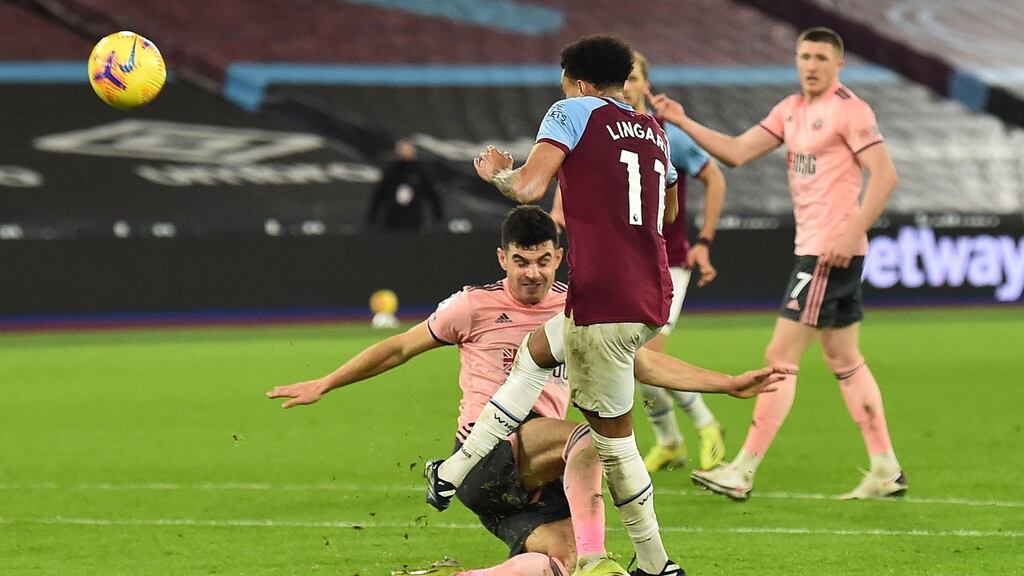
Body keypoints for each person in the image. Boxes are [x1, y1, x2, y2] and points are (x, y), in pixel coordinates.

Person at [268, 206, 780, 576]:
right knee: (588, 438)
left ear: (559, 257)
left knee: (559, 561)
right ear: (502, 258)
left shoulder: (575, 311)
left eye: (542, 261)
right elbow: (400, 347)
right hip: (484, 455)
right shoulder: (472, 307)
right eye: (520, 260)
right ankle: (601, 562)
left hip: (534, 477)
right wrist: (326, 382)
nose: (532, 272)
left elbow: (642, 363)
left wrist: (728, 384)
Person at [432, 35, 688, 576]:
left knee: (612, 443)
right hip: (650, 292)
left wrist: (497, 173)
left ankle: (658, 566)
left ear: (579, 81)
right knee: (535, 353)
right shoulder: (654, 130)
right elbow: (667, 208)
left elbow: (528, 187)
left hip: (606, 296)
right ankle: (452, 470)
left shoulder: (572, 111)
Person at [649, 26, 906, 501]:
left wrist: (850, 230)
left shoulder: (850, 111)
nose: (810, 65)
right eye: (804, 56)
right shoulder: (791, 110)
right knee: (844, 359)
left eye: (821, 58)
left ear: (838, 64)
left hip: (829, 251)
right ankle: (885, 469)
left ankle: (742, 469)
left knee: (779, 359)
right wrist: (682, 121)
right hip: (818, 250)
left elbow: (885, 176)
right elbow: (737, 153)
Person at [552, 51, 729, 474]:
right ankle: (670, 441)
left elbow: (715, 176)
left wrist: (704, 240)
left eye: (634, 78)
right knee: (633, 364)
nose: (627, 86)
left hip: (667, 262)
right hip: (622, 266)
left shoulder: (665, 133)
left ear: (645, 84)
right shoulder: (599, 131)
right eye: (623, 78)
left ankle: (706, 426)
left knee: (641, 358)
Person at [367, 139, 444, 231]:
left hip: (414, 222)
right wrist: (371, 218)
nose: (404, 153)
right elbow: (379, 196)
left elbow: (433, 197)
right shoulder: (391, 172)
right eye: (401, 150)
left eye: (407, 150)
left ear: (413, 153)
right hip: (392, 222)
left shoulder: (421, 173)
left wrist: (438, 218)